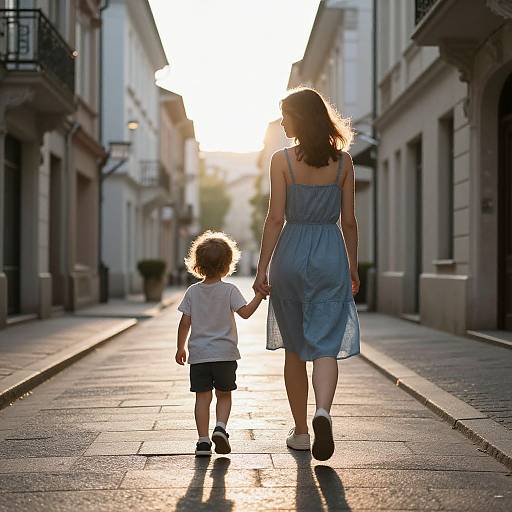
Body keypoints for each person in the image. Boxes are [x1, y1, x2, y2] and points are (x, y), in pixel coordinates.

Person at [253, 87, 361, 461]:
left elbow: (275, 218)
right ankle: (323, 412)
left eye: (286, 115)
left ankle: (301, 432)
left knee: (295, 349)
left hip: (291, 255)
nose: (282, 122)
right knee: (326, 345)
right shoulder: (344, 163)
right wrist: (352, 267)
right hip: (330, 254)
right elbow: (348, 221)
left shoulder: (281, 161)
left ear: (301, 118)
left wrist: (261, 268)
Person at [175, 231, 267, 457]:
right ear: (227, 264)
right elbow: (244, 314)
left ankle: (203, 441)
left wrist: (180, 347)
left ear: (198, 265)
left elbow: (184, 323)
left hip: (199, 356)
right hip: (225, 354)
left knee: (202, 397)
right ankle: (221, 428)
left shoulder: (192, 292)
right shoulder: (229, 291)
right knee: (224, 394)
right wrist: (258, 296)